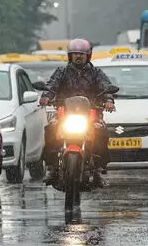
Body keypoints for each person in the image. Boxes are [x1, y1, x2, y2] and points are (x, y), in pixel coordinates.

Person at [40, 39, 115, 187]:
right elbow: (51, 85)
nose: (78, 57)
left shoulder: (96, 72)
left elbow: (105, 87)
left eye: (82, 54)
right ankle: (52, 166)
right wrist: (46, 97)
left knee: (102, 131)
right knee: (50, 129)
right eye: (75, 54)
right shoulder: (61, 72)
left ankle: (98, 169)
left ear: (88, 56)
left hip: (91, 113)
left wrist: (108, 100)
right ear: (70, 56)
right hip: (65, 113)